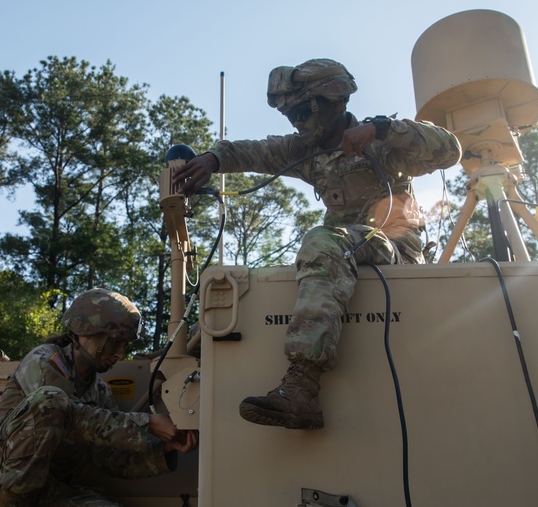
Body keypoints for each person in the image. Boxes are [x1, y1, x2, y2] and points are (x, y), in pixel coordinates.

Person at [172, 59, 461, 430]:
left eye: (302, 110)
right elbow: (255, 151)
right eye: (288, 112)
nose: (294, 121)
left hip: (395, 250)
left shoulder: (385, 144)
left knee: (321, 240)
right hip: (344, 252)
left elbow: (450, 149)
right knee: (313, 250)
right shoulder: (304, 151)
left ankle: (301, 387)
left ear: (335, 102)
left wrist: (382, 129)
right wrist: (212, 159)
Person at [0, 288, 198, 507]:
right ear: (86, 333)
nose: (120, 353)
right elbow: (66, 417)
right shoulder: (44, 360)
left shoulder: (100, 392)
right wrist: (147, 423)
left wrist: (165, 450)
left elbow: (109, 459)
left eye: (125, 345)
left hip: (45, 495)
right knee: (51, 401)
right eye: (115, 342)